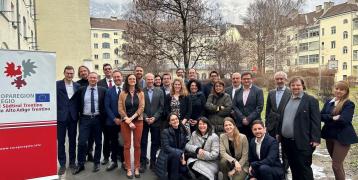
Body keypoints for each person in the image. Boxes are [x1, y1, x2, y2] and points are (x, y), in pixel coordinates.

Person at [280, 76, 320, 180]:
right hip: (287, 142)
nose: (295, 87)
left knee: (304, 169)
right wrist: (278, 133)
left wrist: (315, 139)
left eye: (298, 85)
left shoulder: (311, 100)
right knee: (294, 168)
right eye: (293, 85)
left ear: (303, 86)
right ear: (290, 87)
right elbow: (282, 118)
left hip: (303, 141)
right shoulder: (287, 99)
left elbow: (316, 121)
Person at [321, 81, 358, 180]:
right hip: (329, 136)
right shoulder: (329, 101)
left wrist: (328, 118)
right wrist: (333, 118)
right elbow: (320, 116)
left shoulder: (349, 104)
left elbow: (344, 120)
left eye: (342, 89)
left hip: (342, 138)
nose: (338, 91)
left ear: (346, 91)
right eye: (337, 88)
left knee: (336, 166)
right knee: (338, 164)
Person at [73, 72, 107, 174]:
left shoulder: (103, 90)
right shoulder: (81, 90)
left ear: (97, 79)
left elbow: (106, 104)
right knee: (82, 142)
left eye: (95, 78)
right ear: (88, 78)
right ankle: (81, 163)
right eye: (91, 77)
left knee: (98, 142)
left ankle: (96, 162)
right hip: (85, 119)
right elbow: (76, 103)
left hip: (98, 119)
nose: (93, 79)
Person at [118, 74, 145, 179]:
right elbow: (120, 109)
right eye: (130, 79)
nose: (132, 80)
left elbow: (142, 107)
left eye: (134, 79)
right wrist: (128, 121)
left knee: (137, 145)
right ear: (127, 81)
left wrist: (132, 118)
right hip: (125, 122)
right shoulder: (122, 93)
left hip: (138, 121)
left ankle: (137, 167)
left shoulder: (141, 93)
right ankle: (129, 168)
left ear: (136, 81)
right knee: (127, 145)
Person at [56, 66, 80, 175]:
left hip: (73, 117)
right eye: (68, 73)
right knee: (61, 141)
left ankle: (72, 163)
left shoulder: (77, 86)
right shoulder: (57, 85)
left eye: (71, 73)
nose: (69, 75)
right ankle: (62, 164)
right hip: (61, 117)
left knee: (72, 141)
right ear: (64, 73)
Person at [140, 73, 165, 173]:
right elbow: (140, 107)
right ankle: (143, 162)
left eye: (151, 79)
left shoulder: (160, 91)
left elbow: (161, 107)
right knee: (143, 142)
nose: (150, 81)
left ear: (154, 80)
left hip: (156, 121)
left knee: (155, 142)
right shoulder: (141, 91)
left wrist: (154, 117)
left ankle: (153, 162)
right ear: (145, 80)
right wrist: (146, 117)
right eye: (148, 79)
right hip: (144, 121)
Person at [156, 113, 189, 180]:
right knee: (176, 156)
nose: (175, 121)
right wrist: (180, 153)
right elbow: (166, 148)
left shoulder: (182, 130)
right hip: (167, 156)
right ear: (169, 122)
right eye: (172, 120)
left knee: (185, 173)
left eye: (176, 119)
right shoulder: (165, 132)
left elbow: (183, 145)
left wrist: (182, 156)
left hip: (178, 155)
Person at [232, 72, 264, 140]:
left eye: (248, 79)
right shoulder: (237, 91)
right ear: (241, 80)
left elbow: (259, 107)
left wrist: (248, 119)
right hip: (240, 123)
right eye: (244, 79)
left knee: (253, 143)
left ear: (252, 79)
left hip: (253, 123)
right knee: (241, 143)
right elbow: (234, 106)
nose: (246, 80)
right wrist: (242, 118)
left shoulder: (258, 91)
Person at [104, 70, 124, 171]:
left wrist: (123, 118)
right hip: (112, 122)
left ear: (122, 77)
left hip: (124, 122)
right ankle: (114, 161)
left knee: (123, 142)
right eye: (115, 77)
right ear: (113, 78)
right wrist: (114, 118)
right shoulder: (109, 91)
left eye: (118, 76)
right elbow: (106, 107)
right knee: (113, 142)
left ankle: (124, 161)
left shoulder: (126, 90)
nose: (117, 78)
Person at [97, 63, 113, 166]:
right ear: (103, 71)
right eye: (105, 69)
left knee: (118, 137)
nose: (107, 70)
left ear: (112, 70)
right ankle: (106, 157)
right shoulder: (99, 83)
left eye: (109, 69)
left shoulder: (117, 82)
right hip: (104, 116)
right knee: (106, 138)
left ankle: (118, 155)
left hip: (117, 115)